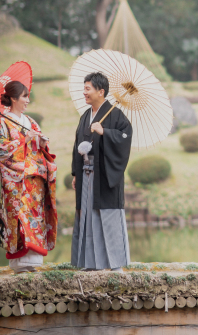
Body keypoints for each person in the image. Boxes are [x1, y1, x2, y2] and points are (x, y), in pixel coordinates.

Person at [71, 72, 132, 271]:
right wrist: (74, 173)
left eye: (88, 88)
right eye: (84, 88)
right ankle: (89, 263)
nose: (84, 92)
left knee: (106, 215)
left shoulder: (116, 115)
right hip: (86, 174)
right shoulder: (84, 117)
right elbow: (76, 145)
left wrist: (105, 132)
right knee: (87, 215)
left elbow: (125, 136)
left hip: (105, 175)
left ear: (101, 91)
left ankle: (114, 264)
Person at [0, 81, 57, 274]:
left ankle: (34, 261)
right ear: (13, 98)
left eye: (28, 96)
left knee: (35, 217)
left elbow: (37, 149)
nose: (27, 100)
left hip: (35, 179)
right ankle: (20, 263)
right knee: (19, 217)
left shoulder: (30, 121)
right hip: (16, 181)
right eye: (24, 96)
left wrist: (42, 143)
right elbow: (1, 151)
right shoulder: (3, 122)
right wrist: (23, 140)